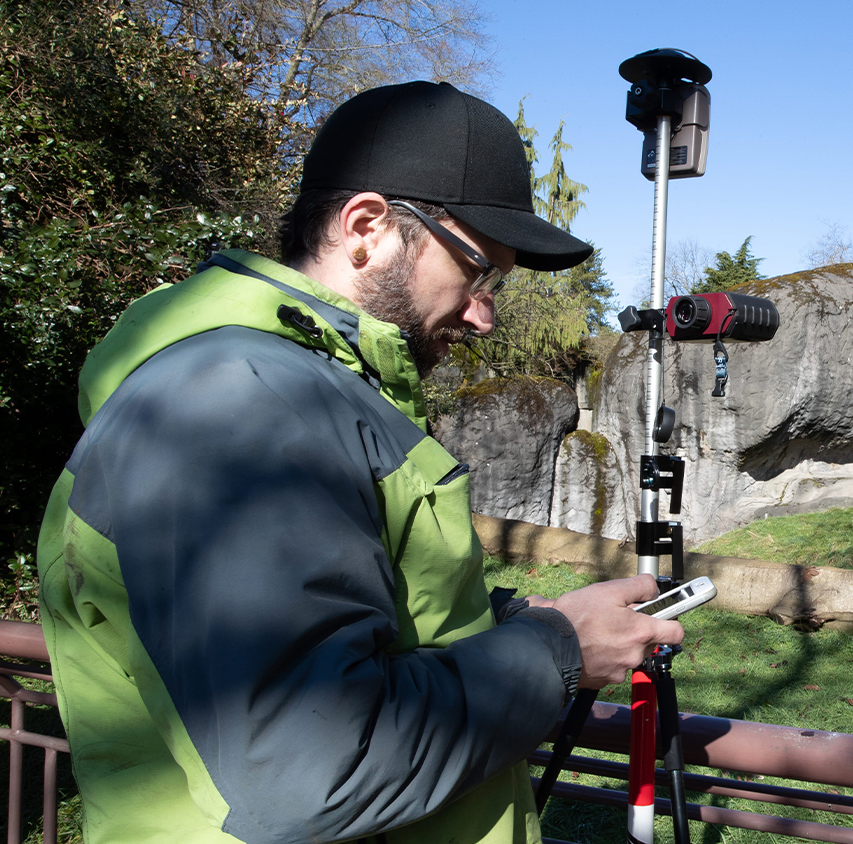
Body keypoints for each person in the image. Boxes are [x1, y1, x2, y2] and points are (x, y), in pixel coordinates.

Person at [35, 81, 683, 844]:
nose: (485, 314)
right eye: (480, 272)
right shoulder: (238, 407)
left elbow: (333, 628)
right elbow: (314, 767)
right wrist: (558, 651)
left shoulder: (300, 390)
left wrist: (501, 620)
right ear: (367, 228)